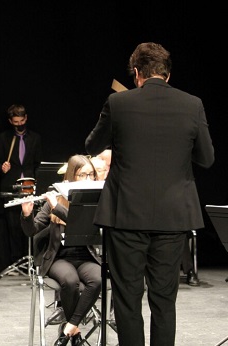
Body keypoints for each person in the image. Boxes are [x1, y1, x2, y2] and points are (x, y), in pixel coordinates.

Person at [85, 42, 214, 346]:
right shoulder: (192, 104)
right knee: (164, 301)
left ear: (138, 73)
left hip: (125, 215)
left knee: (127, 301)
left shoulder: (118, 104)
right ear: (167, 75)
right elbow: (206, 158)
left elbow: (92, 147)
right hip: (173, 217)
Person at [20, 154, 102, 346]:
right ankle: (76, 335)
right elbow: (32, 230)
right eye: (83, 175)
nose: (88, 179)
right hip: (59, 257)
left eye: (91, 175)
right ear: (72, 176)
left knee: (98, 278)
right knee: (70, 281)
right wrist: (26, 215)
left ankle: (69, 329)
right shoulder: (55, 198)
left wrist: (58, 208)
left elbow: (83, 225)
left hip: (85, 255)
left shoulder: (94, 200)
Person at [0, 104, 42, 267]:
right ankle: (15, 263)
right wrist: (2, 167)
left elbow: (37, 164)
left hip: (29, 187)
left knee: (30, 225)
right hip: (10, 187)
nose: (19, 125)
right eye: (16, 122)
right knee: (13, 227)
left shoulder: (35, 138)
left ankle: (31, 262)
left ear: (26, 118)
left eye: (22, 121)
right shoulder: (3, 138)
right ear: (10, 121)